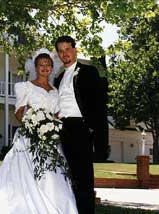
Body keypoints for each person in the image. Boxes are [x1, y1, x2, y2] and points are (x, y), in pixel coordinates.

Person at [0, 53, 78, 214]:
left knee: (54, 175)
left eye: (48, 64)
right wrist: (33, 126)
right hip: (30, 138)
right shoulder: (25, 87)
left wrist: (53, 127)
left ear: (52, 67)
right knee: (26, 175)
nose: (45, 67)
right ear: (36, 67)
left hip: (51, 140)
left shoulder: (55, 91)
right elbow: (18, 112)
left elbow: (57, 115)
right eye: (41, 64)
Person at [53, 36, 109, 214]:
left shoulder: (88, 72)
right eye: (61, 51)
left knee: (84, 178)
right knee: (68, 178)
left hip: (81, 128)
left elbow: (100, 105)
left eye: (68, 49)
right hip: (63, 129)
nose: (65, 54)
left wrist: (100, 137)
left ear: (75, 50)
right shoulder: (58, 78)